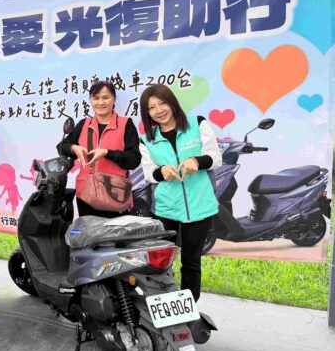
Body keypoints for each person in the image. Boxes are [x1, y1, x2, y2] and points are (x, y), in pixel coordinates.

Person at [138, 84, 222, 301]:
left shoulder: (198, 124)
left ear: (172, 102)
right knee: (160, 262)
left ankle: (188, 307)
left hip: (200, 205)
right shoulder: (147, 140)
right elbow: (148, 173)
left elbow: (216, 157)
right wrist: (162, 171)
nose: (159, 110)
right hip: (166, 208)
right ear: (147, 113)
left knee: (191, 261)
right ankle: (162, 304)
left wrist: (196, 161)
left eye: (163, 103)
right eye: (151, 107)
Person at [59, 79, 141, 218]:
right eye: (96, 98)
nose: (100, 102)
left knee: (114, 232)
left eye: (105, 97)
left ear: (114, 99)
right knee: (88, 231)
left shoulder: (126, 124)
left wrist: (106, 153)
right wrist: (74, 148)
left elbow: (134, 160)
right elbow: (61, 147)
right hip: (86, 195)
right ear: (91, 101)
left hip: (115, 193)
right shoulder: (84, 124)